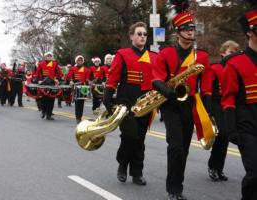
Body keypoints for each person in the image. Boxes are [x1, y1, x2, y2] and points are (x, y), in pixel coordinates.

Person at [151, 2, 212, 199]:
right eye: (187, 29)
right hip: (170, 104)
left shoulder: (201, 56)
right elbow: (156, 79)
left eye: (193, 29)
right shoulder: (166, 53)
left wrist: (209, 110)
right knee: (176, 146)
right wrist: (169, 93)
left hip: (190, 105)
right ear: (178, 33)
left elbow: (207, 86)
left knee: (183, 149)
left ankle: (178, 185)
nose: (191, 32)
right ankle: (173, 189)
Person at [103, 21, 158, 186]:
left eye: (144, 34)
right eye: (139, 34)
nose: (142, 37)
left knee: (140, 139)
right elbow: (112, 79)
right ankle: (122, 164)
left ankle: (137, 173)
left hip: (146, 104)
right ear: (131, 36)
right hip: (125, 104)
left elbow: (158, 80)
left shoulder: (154, 57)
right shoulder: (122, 54)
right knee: (130, 135)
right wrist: (108, 98)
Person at [221, 2, 257, 199]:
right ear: (250, 33)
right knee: (254, 173)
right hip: (247, 127)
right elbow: (228, 99)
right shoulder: (235, 63)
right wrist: (231, 129)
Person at [207, 40, 240, 182]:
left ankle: (218, 169)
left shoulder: (236, 68)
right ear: (222, 53)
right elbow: (208, 90)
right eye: (230, 52)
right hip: (217, 105)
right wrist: (209, 112)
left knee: (226, 138)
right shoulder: (214, 68)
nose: (233, 55)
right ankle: (213, 166)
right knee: (223, 134)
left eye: (235, 52)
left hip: (230, 106)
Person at [35, 51, 63, 120]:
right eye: (48, 56)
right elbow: (37, 74)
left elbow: (60, 74)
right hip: (43, 83)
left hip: (52, 83)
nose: (49, 57)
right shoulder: (41, 63)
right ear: (45, 57)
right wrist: (38, 80)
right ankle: (43, 111)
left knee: (51, 99)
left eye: (50, 56)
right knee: (43, 99)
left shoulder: (55, 64)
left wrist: (57, 80)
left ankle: (49, 115)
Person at [66, 55, 90, 123]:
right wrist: (71, 81)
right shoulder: (73, 69)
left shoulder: (86, 69)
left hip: (83, 87)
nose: (80, 61)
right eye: (78, 60)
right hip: (76, 87)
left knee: (81, 103)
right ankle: (77, 118)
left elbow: (87, 79)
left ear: (83, 61)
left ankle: (80, 117)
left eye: (81, 60)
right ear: (76, 61)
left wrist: (89, 82)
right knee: (77, 103)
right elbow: (68, 77)